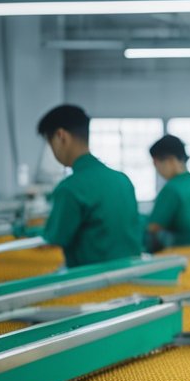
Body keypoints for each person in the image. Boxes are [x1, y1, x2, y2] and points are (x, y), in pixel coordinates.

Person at [37, 104, 140, 268]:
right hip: (131, 277)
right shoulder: (122, 180)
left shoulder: (70, 188)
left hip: (91, 285)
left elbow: (53, 239)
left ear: (61, 136)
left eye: (50, 143)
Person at [146, 134, 190, 250]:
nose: (157, 170)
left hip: (181, 260)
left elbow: (152, 228)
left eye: (156, 163)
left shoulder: (172, 189)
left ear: (170, 160)